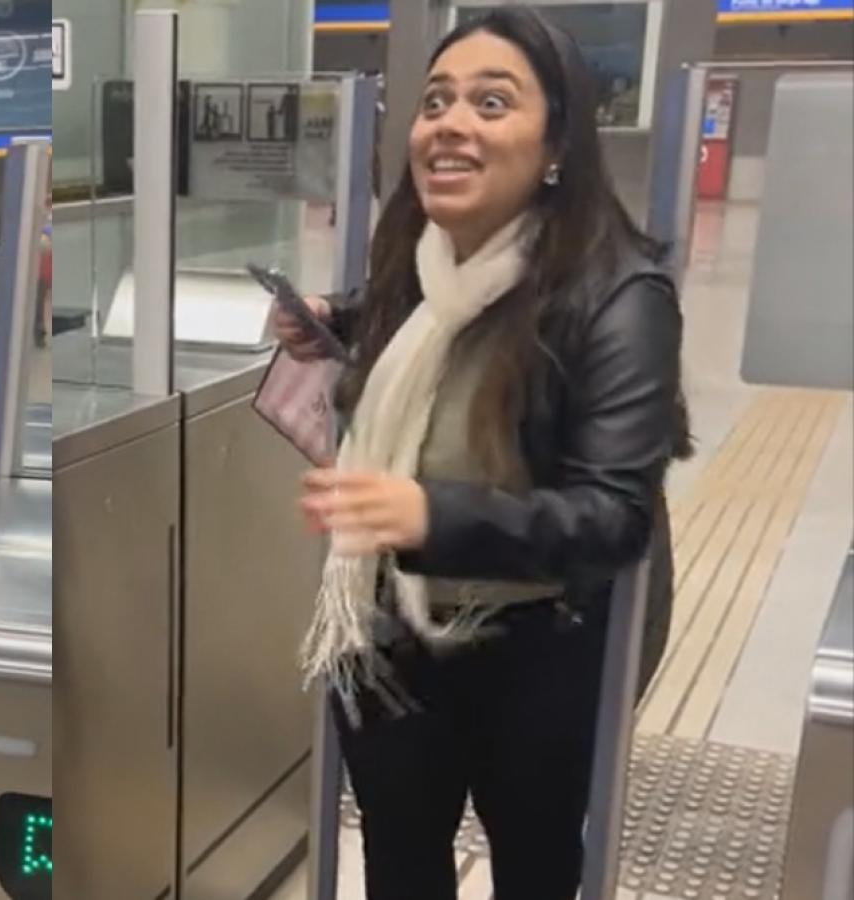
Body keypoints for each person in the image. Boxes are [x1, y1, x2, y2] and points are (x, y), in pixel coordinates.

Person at [275, 9, 692, 899]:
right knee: (399, 855)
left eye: (492, 102)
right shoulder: (415, 259)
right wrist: (335, 321)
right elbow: (422, 332)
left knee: (536, 864)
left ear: (555, 146)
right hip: (395, 630)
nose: (451, 123)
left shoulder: (621, 295)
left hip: (544, 643)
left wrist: (431, 515)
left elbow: (612, 517)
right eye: (436, 102)